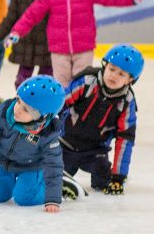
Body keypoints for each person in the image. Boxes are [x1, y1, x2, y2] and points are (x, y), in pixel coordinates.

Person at [5, 0, 151, 88]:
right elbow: (31, 14)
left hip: (83, 47)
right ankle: (61, 111)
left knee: (81, 83)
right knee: (61, 83)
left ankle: (79, 111)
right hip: (59, 49)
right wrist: (17, 31)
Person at [0, 76, 73, 211]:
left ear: (42, 116)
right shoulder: (2, 113)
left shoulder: (48, 134)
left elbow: (53, 164)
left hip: (32, 167)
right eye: (18, 101)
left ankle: (56, 186)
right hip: (5, 163)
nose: (17, 109)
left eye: (26, 109)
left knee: (24, 199)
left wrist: (52, 198)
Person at [60, 44, 142, 195]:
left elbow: (125, 138)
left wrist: (118, 177)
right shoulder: (86, 82)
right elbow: (60, 104)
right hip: (65, 145)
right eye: (112, 69)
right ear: (105, 66)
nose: (114, 76)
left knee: (103, 183)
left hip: (95, 152)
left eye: (121, 74)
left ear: (130, 80)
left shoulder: (127, 101)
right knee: (55, 174)